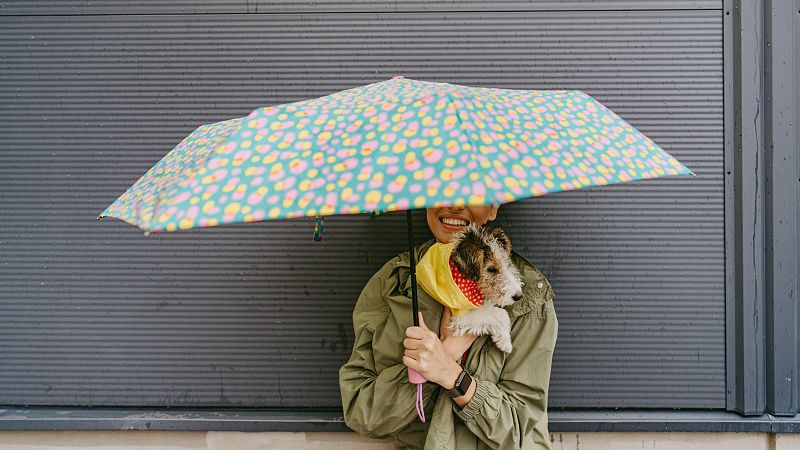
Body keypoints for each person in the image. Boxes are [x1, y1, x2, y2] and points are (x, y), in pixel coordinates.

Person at [339, 204, 558, 450]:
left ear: (493, 208)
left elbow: (519, 431)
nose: (454, 204)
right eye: (443, 188)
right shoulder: (393, 283)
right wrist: (431, 363)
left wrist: (453, 375)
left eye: (471, 189)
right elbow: (365, 416)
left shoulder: (527, 295)